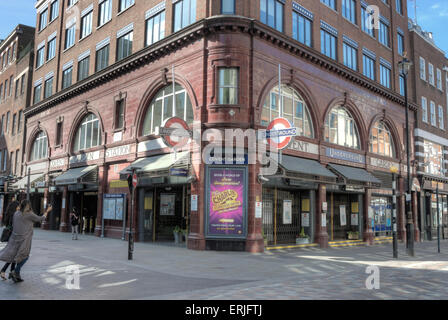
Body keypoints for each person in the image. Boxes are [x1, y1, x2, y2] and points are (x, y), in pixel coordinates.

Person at [0, 200, 52, 282]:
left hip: (14, 238)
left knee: (15, 256)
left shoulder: (16, 213)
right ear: (29, 206)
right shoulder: (29, 214)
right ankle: (15, 271)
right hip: (23, 239)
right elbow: (40, 218)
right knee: (25, 256)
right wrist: (47, 211)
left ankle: (14, 274)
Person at [0, 201, 20, 280]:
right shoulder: (14, 215)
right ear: (15, 207)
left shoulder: (9, 214)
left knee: (14, 255)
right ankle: (6, 271)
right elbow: (15, 226)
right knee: (14, 256)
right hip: (14, 237)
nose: (19, 207)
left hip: (11, 237)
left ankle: (10, 271)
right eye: (18, 206)